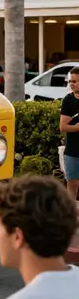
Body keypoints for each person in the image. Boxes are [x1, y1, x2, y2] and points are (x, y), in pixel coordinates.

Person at [59, 67, 79, 203]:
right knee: (72, 183)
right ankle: (69, 213)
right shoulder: (67, 100)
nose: (71, 84)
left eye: (75, 81)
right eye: (70, 81)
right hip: (72, 150)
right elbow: (63, 127)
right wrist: (77, 128)